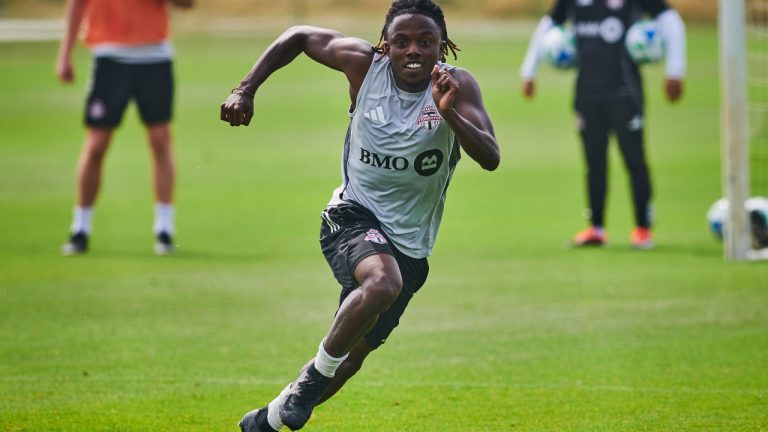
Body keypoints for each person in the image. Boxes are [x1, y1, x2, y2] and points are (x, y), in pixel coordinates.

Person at [219, 0, 499, 430]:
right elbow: (298, 36)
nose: (413, 50)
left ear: (443, 46)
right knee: (383, 283)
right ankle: (311, 381)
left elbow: (491, 157)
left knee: (350, 358)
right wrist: (245, 89)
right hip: (351, 216)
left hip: (410, 244)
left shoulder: (457, 86)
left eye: (426, 41)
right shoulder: (364, 67)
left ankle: (267, 421)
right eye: (401, 41)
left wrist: (450, 113)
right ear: (385, 45)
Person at [520, 0, 686, 249]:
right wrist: (529, 71)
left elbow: (671, 21)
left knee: (635, 160)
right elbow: (547, 25)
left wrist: (675, 70)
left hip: (625, 93)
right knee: (594, 162)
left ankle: (642, 229)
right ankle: (596, 228)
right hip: (586, 94)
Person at [56, 0, 194, 256]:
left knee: (160, 141)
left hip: (155, 56)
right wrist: (65, 53)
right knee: (96, 144)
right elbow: (77, 4)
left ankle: (164, 228)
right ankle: (80, 228)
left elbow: (187, 3)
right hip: (109, 57)